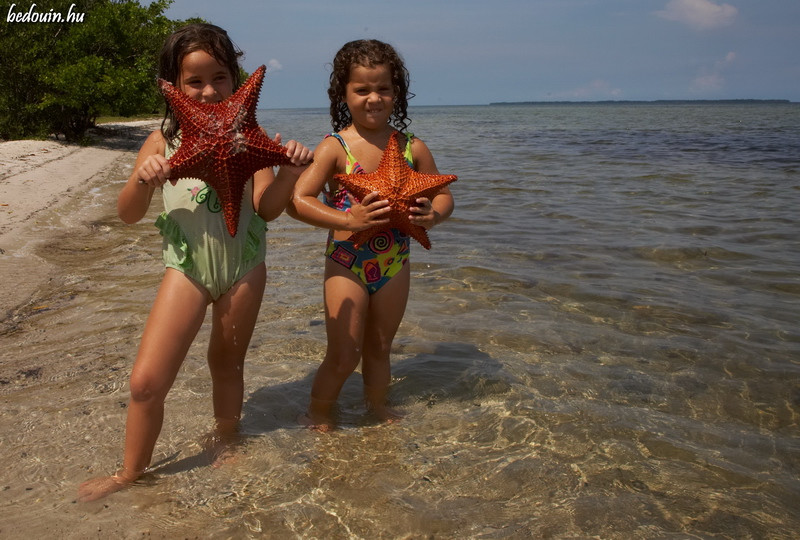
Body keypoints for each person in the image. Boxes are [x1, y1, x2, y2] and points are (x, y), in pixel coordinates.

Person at [77, 23, 312, 502]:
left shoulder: (252, 140)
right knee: (145, 382)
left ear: (236, 80)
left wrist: (289, 173)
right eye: (194, 81)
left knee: (226, 364)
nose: (209, 91)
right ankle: (129, 472)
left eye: (220, 77)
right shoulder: (163, 141)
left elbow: (266, 209)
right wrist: (143, 180)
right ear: (174, 86)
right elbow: (128, 215)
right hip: (186, 266)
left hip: (243, 263)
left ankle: (226, 440)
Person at [288, 39, 454, 431]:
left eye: (383, 88)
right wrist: (348, 221)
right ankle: (319, 412)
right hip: (346, 261)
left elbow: (443, 194)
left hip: (394, 262)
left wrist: (433, 216)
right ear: (343, 94)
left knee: (380, 348)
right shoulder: (335, 147)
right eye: (361, 89)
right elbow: (298, 199)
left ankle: (376, 407)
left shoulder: (412, 147)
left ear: (397, 92)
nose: (373, 98)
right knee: (345, 352)